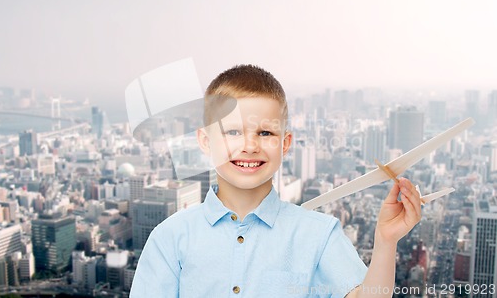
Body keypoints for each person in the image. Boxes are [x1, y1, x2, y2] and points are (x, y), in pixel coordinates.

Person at [130, 64, 422, 298]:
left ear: (285, 143)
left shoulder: (318, 235)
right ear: (205, 141)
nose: (249, 145)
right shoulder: (170, 238)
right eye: (232, 132)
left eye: (265, 133)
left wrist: (385, 241)